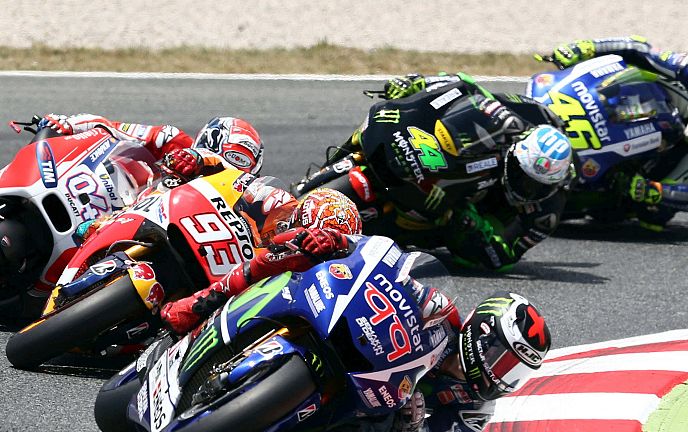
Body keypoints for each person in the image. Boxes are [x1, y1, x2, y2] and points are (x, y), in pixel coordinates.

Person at [294, 72, 574, 271]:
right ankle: (333, 166)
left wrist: (469, 225)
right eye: (520, 174)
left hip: (462, 220)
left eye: (532, 185)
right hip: (437, 172)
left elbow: (503, 256)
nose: (524, 187)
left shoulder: (545, 214)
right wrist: (415, 86)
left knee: (422, 233)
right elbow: (464, 87)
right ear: (515, 150)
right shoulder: (514, 124)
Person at [544, 36, 688, 229]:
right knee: (640, 73)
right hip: (681, 109)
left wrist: (655, 191)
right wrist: (587, 48)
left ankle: (616, 193)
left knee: (654, 214)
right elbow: (638, 49)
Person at [305, 290, 551, 432]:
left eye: (516, 371)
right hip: (360, 348)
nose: (502, 376)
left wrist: (410, 426)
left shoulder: (476, 410)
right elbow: (392, 277)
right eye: (501, 360)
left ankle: (302, 423)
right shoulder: (440, 313)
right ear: (483, 333)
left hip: (364, 409)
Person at [160, 187, 362, 334]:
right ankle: (197, 304)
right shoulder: (279, 210)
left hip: (305, 310)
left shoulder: (346, 269)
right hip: (236, 282)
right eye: (301, 226)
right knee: (261, 264)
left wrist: (335, 244)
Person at [38, 114, 264, 178]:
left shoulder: (245, 202)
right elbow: (114, 128)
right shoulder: (172, 140)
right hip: (116, 206)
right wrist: (70, 123)